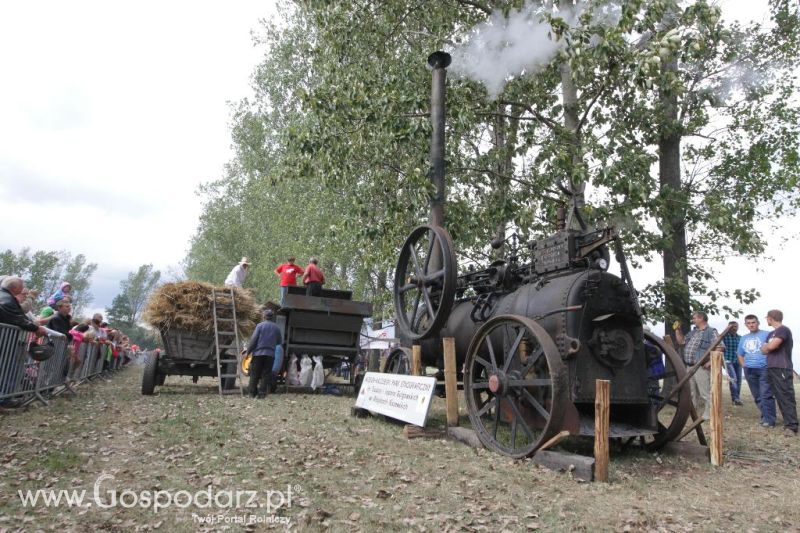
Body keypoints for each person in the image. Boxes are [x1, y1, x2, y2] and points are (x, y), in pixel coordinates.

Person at [674, 311, 718, 421]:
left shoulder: (711, 331)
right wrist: (677, 330)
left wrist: (710, 362)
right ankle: (693, 414)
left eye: (694, 318)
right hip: (690, 366)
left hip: (701, 366)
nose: (693, 320)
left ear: (701, 318)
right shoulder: (693, 332)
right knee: (692, 392)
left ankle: (709, 414)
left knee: (705, 393)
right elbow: (681, 342)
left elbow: (720, 347)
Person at [761, 310, 797, 437]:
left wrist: (768, 346)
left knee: (785, 396)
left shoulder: (783, 330)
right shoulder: (771, 333)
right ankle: (787, 422)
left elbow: (770, 347)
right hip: (771, 367)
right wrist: (768, 346)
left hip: (782, 367)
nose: (767, 320)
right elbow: (763, 350)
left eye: (767, 318)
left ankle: (792, 426)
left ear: (770, 318)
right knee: (774, 395)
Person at [738, 314, 775, 427]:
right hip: (749, 369)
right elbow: (740, 354)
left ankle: (769, 420)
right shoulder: (744, 338)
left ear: (758, 323)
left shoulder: (767, 334)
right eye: (748, 323)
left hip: (764, 368)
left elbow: (773, 348)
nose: (751, 325)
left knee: (766, 394)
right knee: (757, 396)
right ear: (745, 325)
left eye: (753, 322)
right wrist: (744, 366)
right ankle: (766, 417)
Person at [245, 308, 282, 399]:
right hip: (270, 355)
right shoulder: (276, 328)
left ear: (264, 316)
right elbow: (279, 341)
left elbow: (254, 340)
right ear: (272, 317)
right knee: (266, 374)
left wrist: (248, 352)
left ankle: (252, 393)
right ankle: (262, 394)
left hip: (258, 354)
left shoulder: (259, 326)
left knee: (255, 373)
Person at [722, 320, 743, 406]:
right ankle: (735, 398)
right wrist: (725, 330)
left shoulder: (740, 338)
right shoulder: (724, 337)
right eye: (732, 326)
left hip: (738, 361)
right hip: (728, 360)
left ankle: (737, 398)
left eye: (736, 326)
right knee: (733, 379)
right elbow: (717, 340)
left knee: (739, 380)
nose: (734, 328)